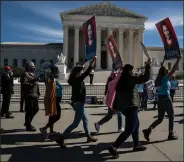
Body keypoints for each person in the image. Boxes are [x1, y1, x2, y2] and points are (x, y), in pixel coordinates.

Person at [107, 57, 152, 159]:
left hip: (124, 107)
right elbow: (145, 78)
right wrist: (148, 65)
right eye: (132, 70)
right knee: (129, 129)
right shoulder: (129, 79)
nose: (133, 72)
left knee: (136, 125)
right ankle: (114, 147)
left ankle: (136, 145)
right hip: (131, 106)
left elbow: (117, 95)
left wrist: (115, 106)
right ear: (128, 71)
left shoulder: (120, 81)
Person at [55, 56, 98, 148]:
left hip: (78, 102)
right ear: (78, 73)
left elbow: (82, 70)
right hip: (79, 104)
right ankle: (61, 138)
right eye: (81, 71)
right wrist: (92, 62)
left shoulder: (74, 79)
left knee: (85, 120)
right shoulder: (78, 80)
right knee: (75, 123)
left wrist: (84, 62)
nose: (82, 72)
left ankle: (88, 136)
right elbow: (87, 72)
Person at [142, 55, 182, 142]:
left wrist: (164, 59)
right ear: (165, 72)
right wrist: (178, 60)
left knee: (160, 119)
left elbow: (161, 68)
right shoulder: (164, 78)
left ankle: (148, 130)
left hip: (160, 99)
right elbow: (173, 70)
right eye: (167, 70)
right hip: (166, 99)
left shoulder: (158, 79)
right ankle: (170, 134)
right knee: (171, 116)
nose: (168, 71)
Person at [40, 66, 63, 135]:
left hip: (55, 100)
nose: (58, 73)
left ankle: (51, 130)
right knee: (57, 116)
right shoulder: (51, 80)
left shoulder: (53, 80)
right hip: (54, 101)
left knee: (52, 116)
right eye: (57, 72)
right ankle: (44, 128)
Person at [22, 61, 40, 131]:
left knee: (36, 109)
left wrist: (38, 93)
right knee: (29, 111)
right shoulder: (25, 74)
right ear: (29, 68)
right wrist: (33, 83)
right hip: (29, 95)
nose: (34, 68)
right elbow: (24, 84)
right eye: (32, 67)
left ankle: (27, 122)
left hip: (34, 95)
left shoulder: (32, 74)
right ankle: (28, 125)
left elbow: (36, 84)